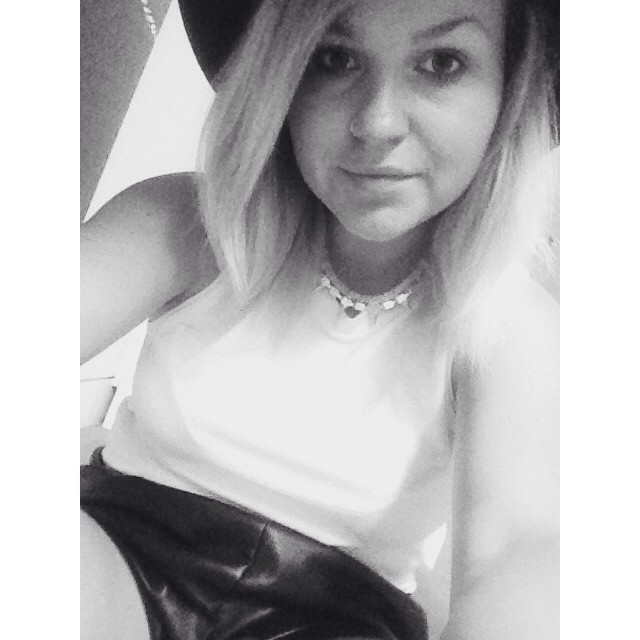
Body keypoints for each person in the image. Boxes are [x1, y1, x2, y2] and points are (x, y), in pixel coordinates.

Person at [80, 0, 559, 638]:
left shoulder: (511, 326)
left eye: (442, 63)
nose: (378, 123)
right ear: (281, 79)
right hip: (113, 567)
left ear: (507, 94)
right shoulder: (188, 224)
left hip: (336, 618)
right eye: (334, 59)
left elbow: (517, 552)